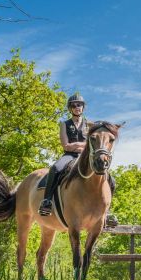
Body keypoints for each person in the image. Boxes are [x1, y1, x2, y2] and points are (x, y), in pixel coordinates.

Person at [39, 93, 117, 225]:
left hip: (86, 156)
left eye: (79, 105)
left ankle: (107, 211)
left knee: (111, 179)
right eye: (74, 105)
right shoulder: (65, 124)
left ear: (83, 107)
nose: (77, 107)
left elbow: (93, 143)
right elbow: (66, 145)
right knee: (55, 168)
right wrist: (79, 145)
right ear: (70, 108)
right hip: (69, 155)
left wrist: (78, 145)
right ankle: (47, 201)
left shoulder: (90, 125)